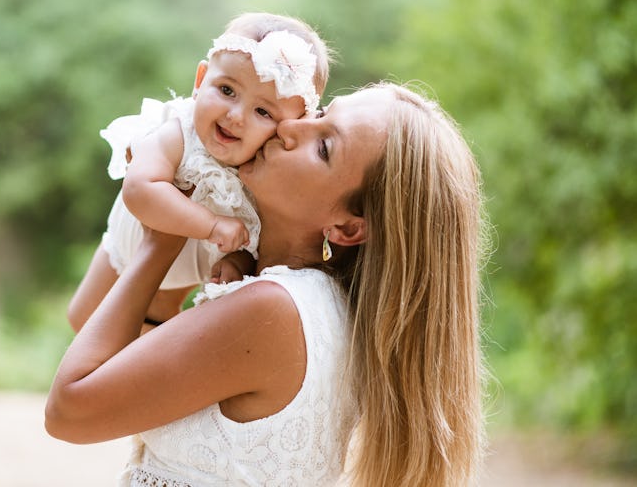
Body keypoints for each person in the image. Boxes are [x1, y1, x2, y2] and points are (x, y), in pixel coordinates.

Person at [46, 81, 487, 486]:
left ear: (349, 228)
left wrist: (158, 246)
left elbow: (68, 412)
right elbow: (112, 346)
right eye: (319, 114)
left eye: (325, 147)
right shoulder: (314, 304)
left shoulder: (270, 310)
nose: (291, 128)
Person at [67, 12, 331, 332]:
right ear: (200, 80)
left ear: (292, 127)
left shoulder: (268, 174)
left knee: (139, 353)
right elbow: (139, 189)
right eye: (227, 90)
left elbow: (256, 240)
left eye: (262, 111)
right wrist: (210, 225)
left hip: (183, 279)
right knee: (82, 319)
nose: (235, 116)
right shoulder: (180, 131)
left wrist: (238, 262)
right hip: (127, 247)